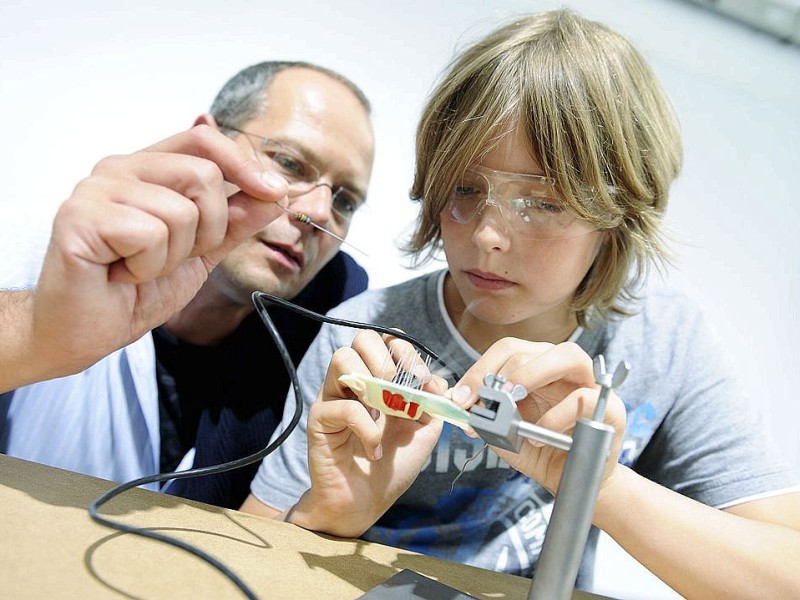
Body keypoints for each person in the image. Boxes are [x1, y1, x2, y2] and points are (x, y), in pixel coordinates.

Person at [240, 10, 800, 599]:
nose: (487, 236)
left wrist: (594, 480)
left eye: (543, 203)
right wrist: (330, 517)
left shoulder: (661, 342)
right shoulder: (368, 339)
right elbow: (230, 562)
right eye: (465, 188)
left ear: (618, 216)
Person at [0, 61, 375, 506]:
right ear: (208, 149)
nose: (318, 212)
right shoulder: (38, 252)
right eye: (290, 163)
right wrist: (39, 336)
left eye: (345, 200)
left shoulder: (329, 337)